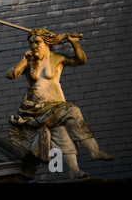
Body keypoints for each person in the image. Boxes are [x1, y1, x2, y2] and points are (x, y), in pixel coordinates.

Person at [7, 28, 113, 179]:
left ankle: (75, 171)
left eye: (37, 42)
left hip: (55, 106)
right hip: (36, 109)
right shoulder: (30, 63)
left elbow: (80, 60)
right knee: (73, 111)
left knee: (62, 135)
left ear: (47, 43)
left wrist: (75, 44)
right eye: (31, 43)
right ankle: (94, 151)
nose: (34, 46)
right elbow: (11, 75)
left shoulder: (56, 58)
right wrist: (24, 59)